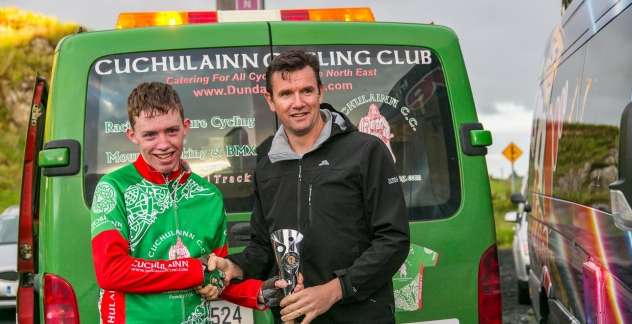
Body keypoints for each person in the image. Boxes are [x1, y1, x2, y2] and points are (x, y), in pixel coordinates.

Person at [209, 48, 410, 324]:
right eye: (285, 94)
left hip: (361, 315)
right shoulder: (267, 167)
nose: (298, 103)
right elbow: (262, 247)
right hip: (294, 318)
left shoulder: (365, 151)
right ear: (270, 100)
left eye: (306, 91)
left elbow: (393, 240)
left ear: (321, 92)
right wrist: (233, 266)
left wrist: (333, 291)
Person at [89, 81, 293, 323]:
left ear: (186, 127)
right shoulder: (114, 188)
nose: (163, 144)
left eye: (171, 131)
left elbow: (216, 278)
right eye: (150, 134)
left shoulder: (209, 196)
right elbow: (111, 271)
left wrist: (257, 292)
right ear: (132, 135)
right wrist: (195, 270)